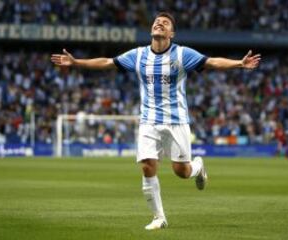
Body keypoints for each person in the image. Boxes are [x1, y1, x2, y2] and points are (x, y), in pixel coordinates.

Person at [51, 12, 261, 230]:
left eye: (165, 23)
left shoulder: (182, 54)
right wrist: (76, 62)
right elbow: (107, 62)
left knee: (181, 171)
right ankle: (159, 218)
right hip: (148, 120)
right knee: (147, 166)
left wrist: (239, 64)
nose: (159, 23)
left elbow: (211, 62)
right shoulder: (139, 55)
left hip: (177, 120)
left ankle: (198, 167)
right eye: (157, 22)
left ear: (172, 33)